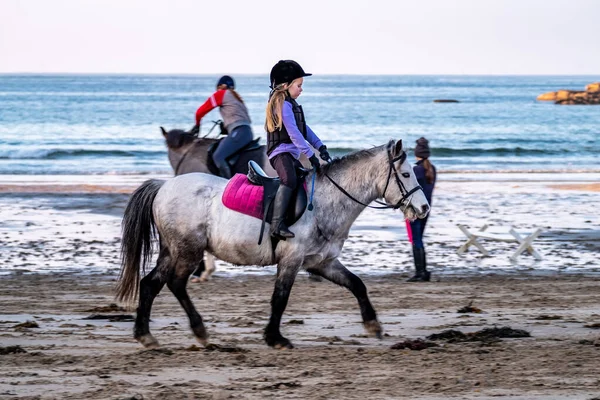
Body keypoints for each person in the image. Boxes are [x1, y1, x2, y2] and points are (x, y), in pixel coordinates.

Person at [265, 60, 332, 240]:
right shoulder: (281, 104)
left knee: (304, 178)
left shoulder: (292, 104)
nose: (301, 89)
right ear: (285, 85)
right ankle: (276, 225)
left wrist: (320, 146)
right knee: (289, 179)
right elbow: (294, 134)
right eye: (299, 85)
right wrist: (311, 156)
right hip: (279, 152)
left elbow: (304, 129)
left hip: (290, 153)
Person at [191, 75, 253, 179]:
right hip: (245, 132)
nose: (217, 90)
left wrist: (197, 125)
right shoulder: (236, 98)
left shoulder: (221, 94)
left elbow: (199, 112)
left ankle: (227, 186)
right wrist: (226, 127)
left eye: (218, 88)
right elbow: (239, 118)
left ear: (221, 86)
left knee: (218, 156)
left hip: (239, 132)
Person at [407, 137, 437, 282]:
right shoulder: (432, 169)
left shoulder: (416, 170)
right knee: (419, 239)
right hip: (427, 208)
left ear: (417, 153)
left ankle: (420, 272)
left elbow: (411, 191)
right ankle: (423, 271)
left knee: (415, 240)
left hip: (415, 209)